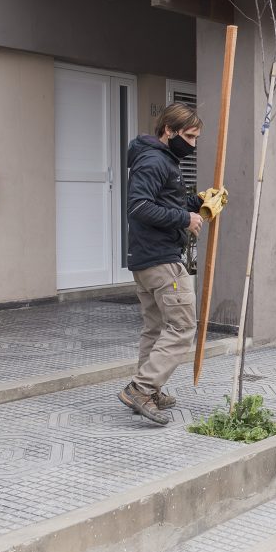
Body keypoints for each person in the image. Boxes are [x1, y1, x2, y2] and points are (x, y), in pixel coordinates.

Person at [118, 102, 206, 425]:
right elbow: (139, 206)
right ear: (169, 131)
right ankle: (140, 389)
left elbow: (162, 201)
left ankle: (150, 391)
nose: (193, 145)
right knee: (183, 326)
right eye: (189, 136)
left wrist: (197, 202)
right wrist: (185, 218)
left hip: (146, 259)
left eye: (197, 138)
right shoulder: (156, 161)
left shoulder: (158, 159)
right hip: (161, 260)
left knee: (155, 329)